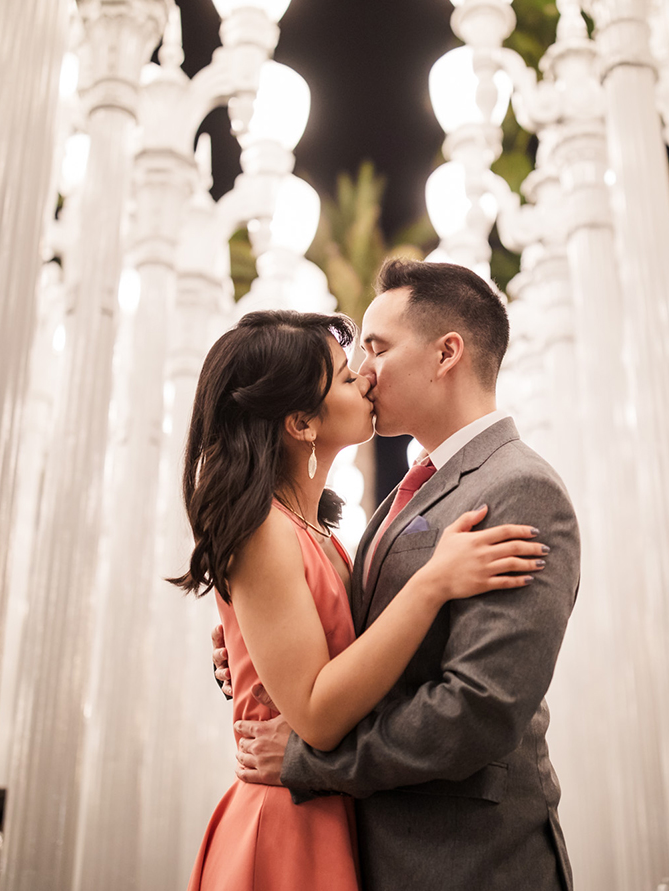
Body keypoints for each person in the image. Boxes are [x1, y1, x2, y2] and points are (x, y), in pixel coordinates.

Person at [214, 260, 582, 889]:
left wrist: (310, 762)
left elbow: (478, 710)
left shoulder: (520, 488)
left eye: (378, 347)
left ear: (447, 354)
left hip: (471, 862)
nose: (363, 370)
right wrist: (253, 642)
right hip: (369, 848)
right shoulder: (400, 499)